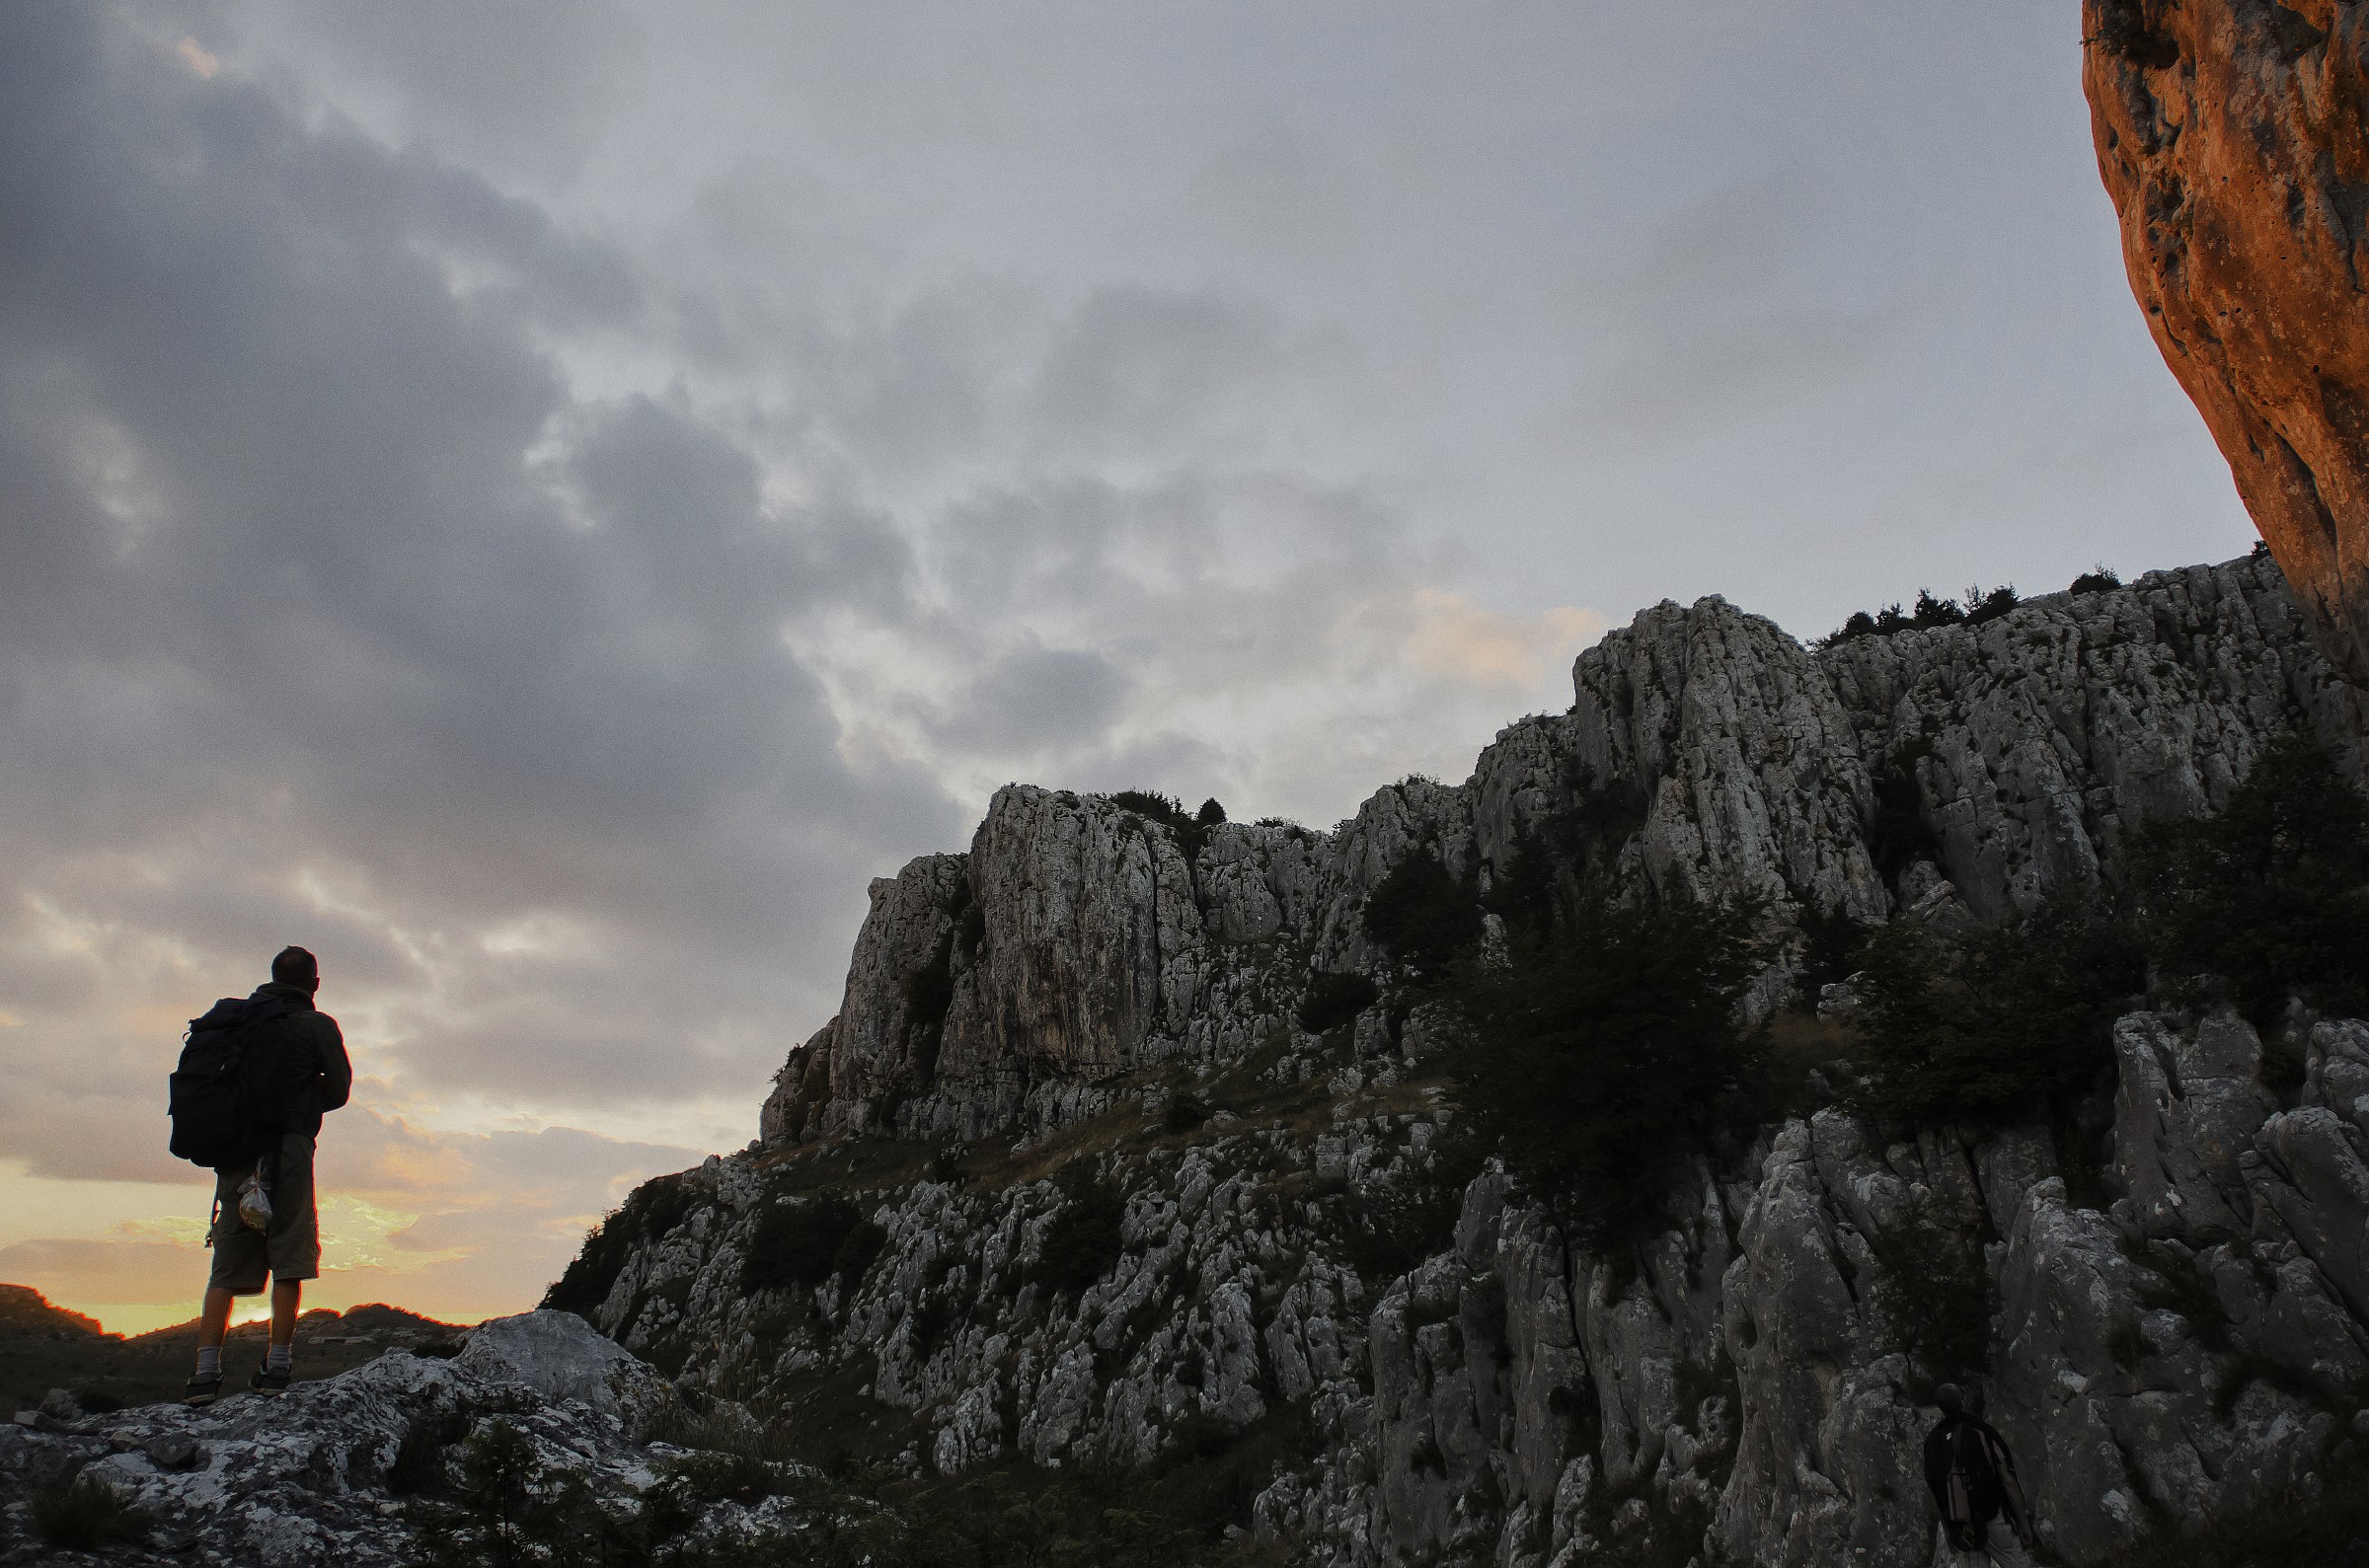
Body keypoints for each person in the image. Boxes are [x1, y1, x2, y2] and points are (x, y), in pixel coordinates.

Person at [183, 945, 351, 1404]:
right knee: (290, 1251)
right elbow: (338, 1091)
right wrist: (302, 1100)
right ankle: (277, 1365)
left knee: (227, 1262)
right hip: (288, 1150)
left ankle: (204, 1374)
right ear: (314, 984)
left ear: (272, 977)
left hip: (235, 1150)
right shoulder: (316, 1026)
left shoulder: (236, 1022)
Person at [1923, 1382, 2035, 1565]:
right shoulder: (1981, 1430)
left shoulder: (1932, 1442)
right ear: (1962, 1401)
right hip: (1992, 1517)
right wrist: (2023, 1522)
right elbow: (2007, 1479)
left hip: (1964, 1528)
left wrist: (1949, 1530)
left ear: (1940, 1407)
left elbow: (1934, 1490)